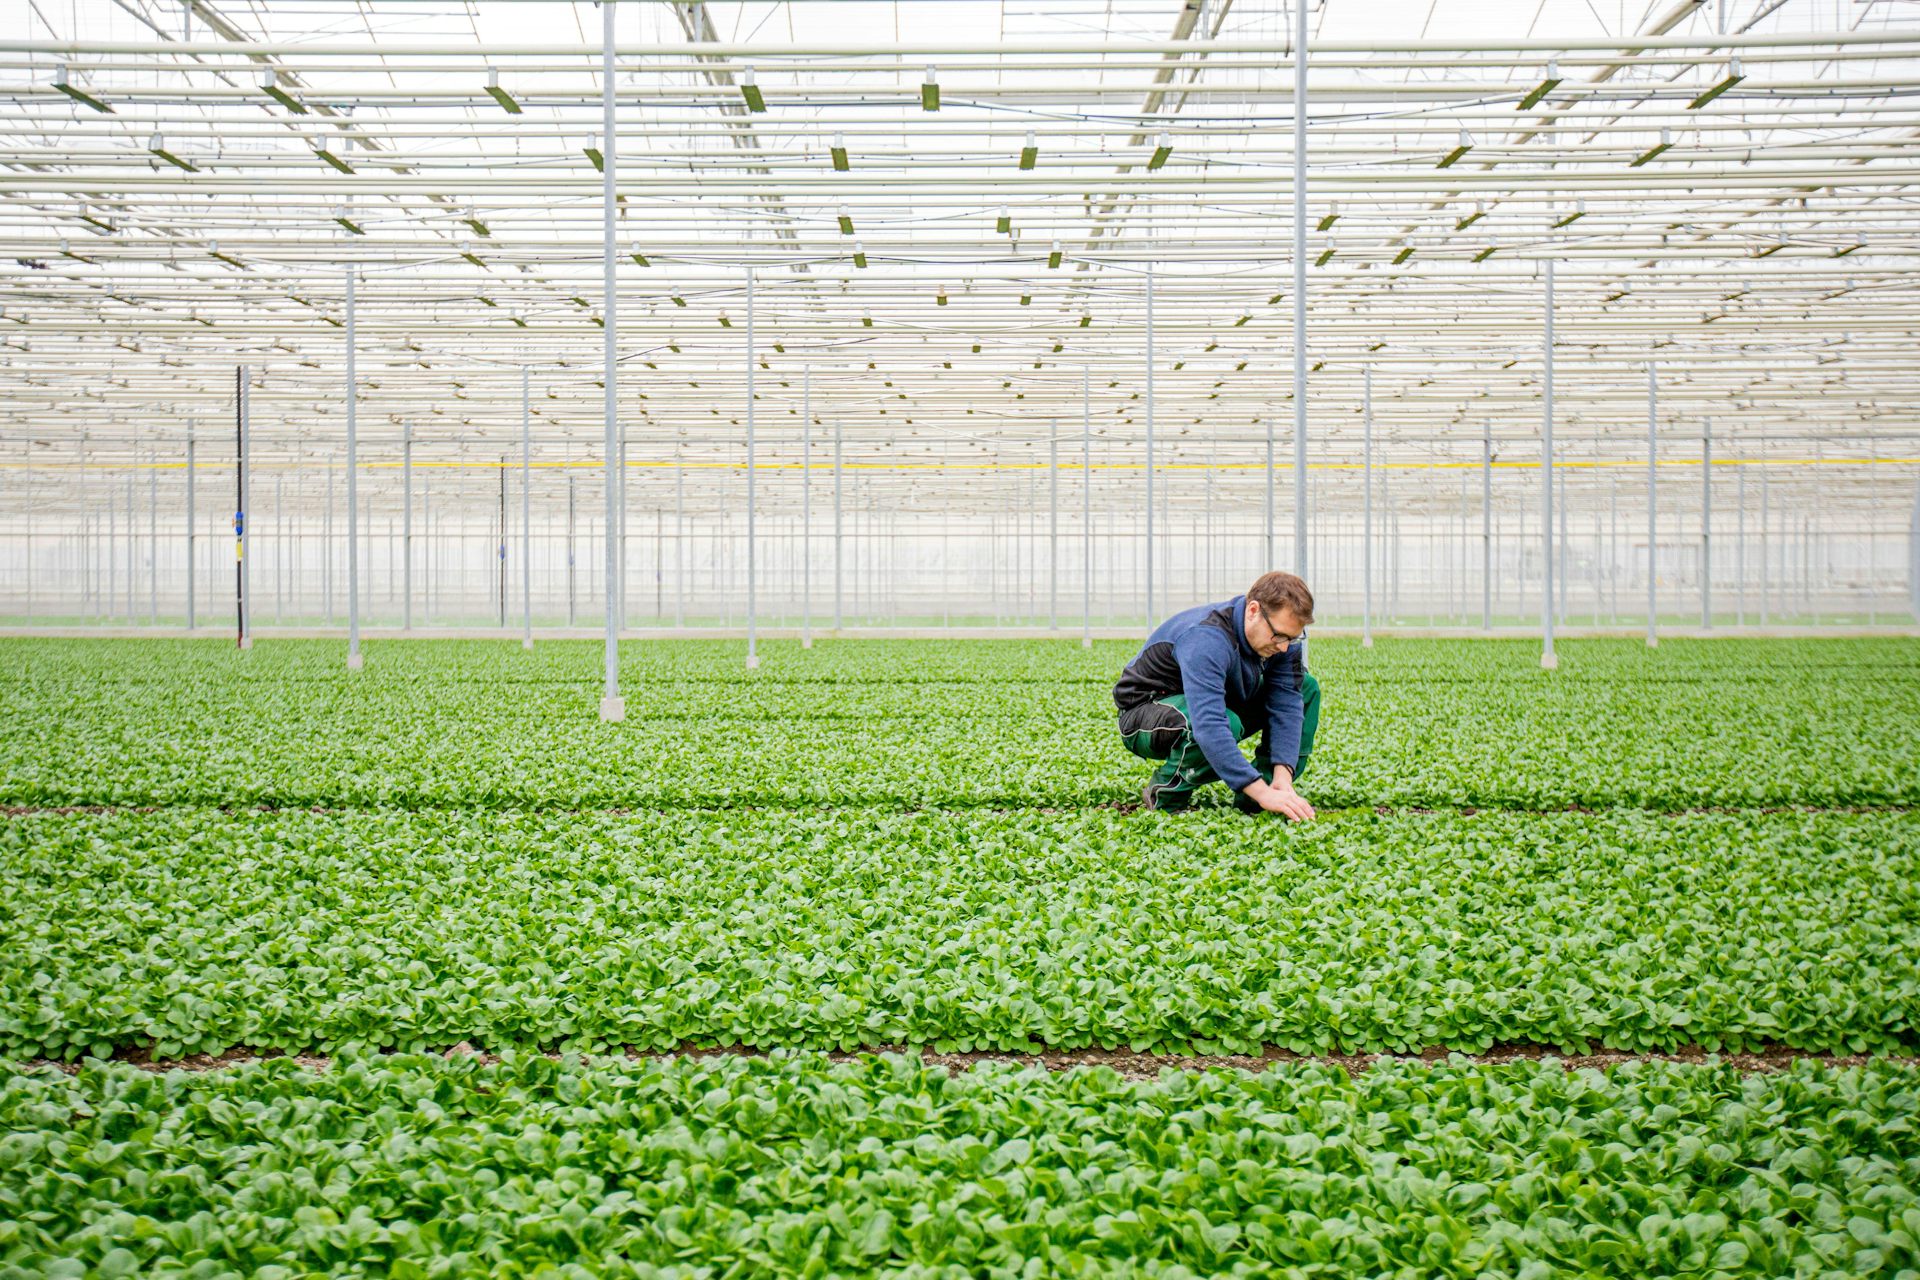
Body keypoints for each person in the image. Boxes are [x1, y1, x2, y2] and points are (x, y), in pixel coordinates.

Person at [1112, 571, 1321, 819]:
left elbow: (1286, 704)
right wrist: (1261, 791)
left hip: (1210, 703)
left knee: (1306, 687)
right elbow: (1209, 724)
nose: (1284, 646)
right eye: (1279, 635)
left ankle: (1260, 797)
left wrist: (1282, 778)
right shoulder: (1206, 639)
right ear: (1253, 610)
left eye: (1293, 637)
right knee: (1224, 724)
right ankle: (1165, 795)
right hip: (1145, 712)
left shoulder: (1281, 642)